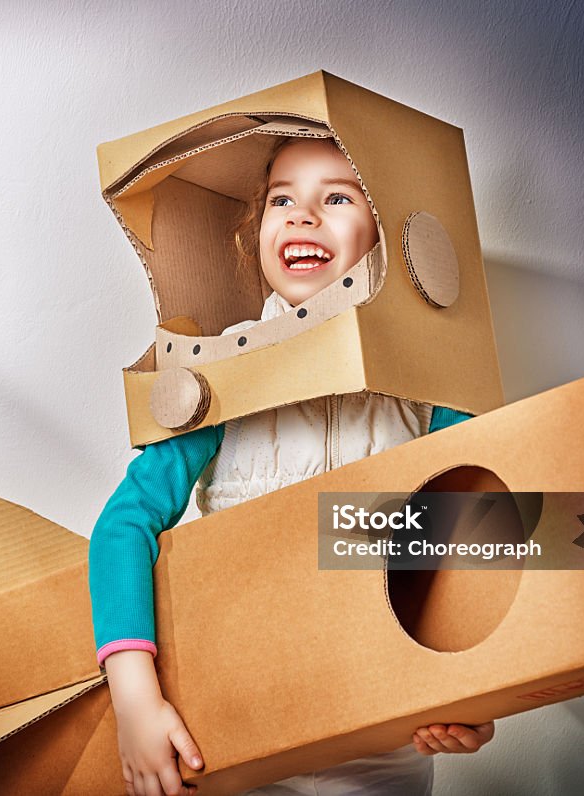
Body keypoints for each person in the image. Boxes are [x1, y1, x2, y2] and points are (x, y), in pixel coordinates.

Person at [89, 137, 495, 796]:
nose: (303, 214)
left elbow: (478, 551)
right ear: (255, 238)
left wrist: (478, 696)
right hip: (227, 736)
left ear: (387, 233)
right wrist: (135, 699)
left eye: (336, 196)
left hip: (384, 745)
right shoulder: (217, 385)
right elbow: (123, 529)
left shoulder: (430, 398)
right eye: (283, 199)